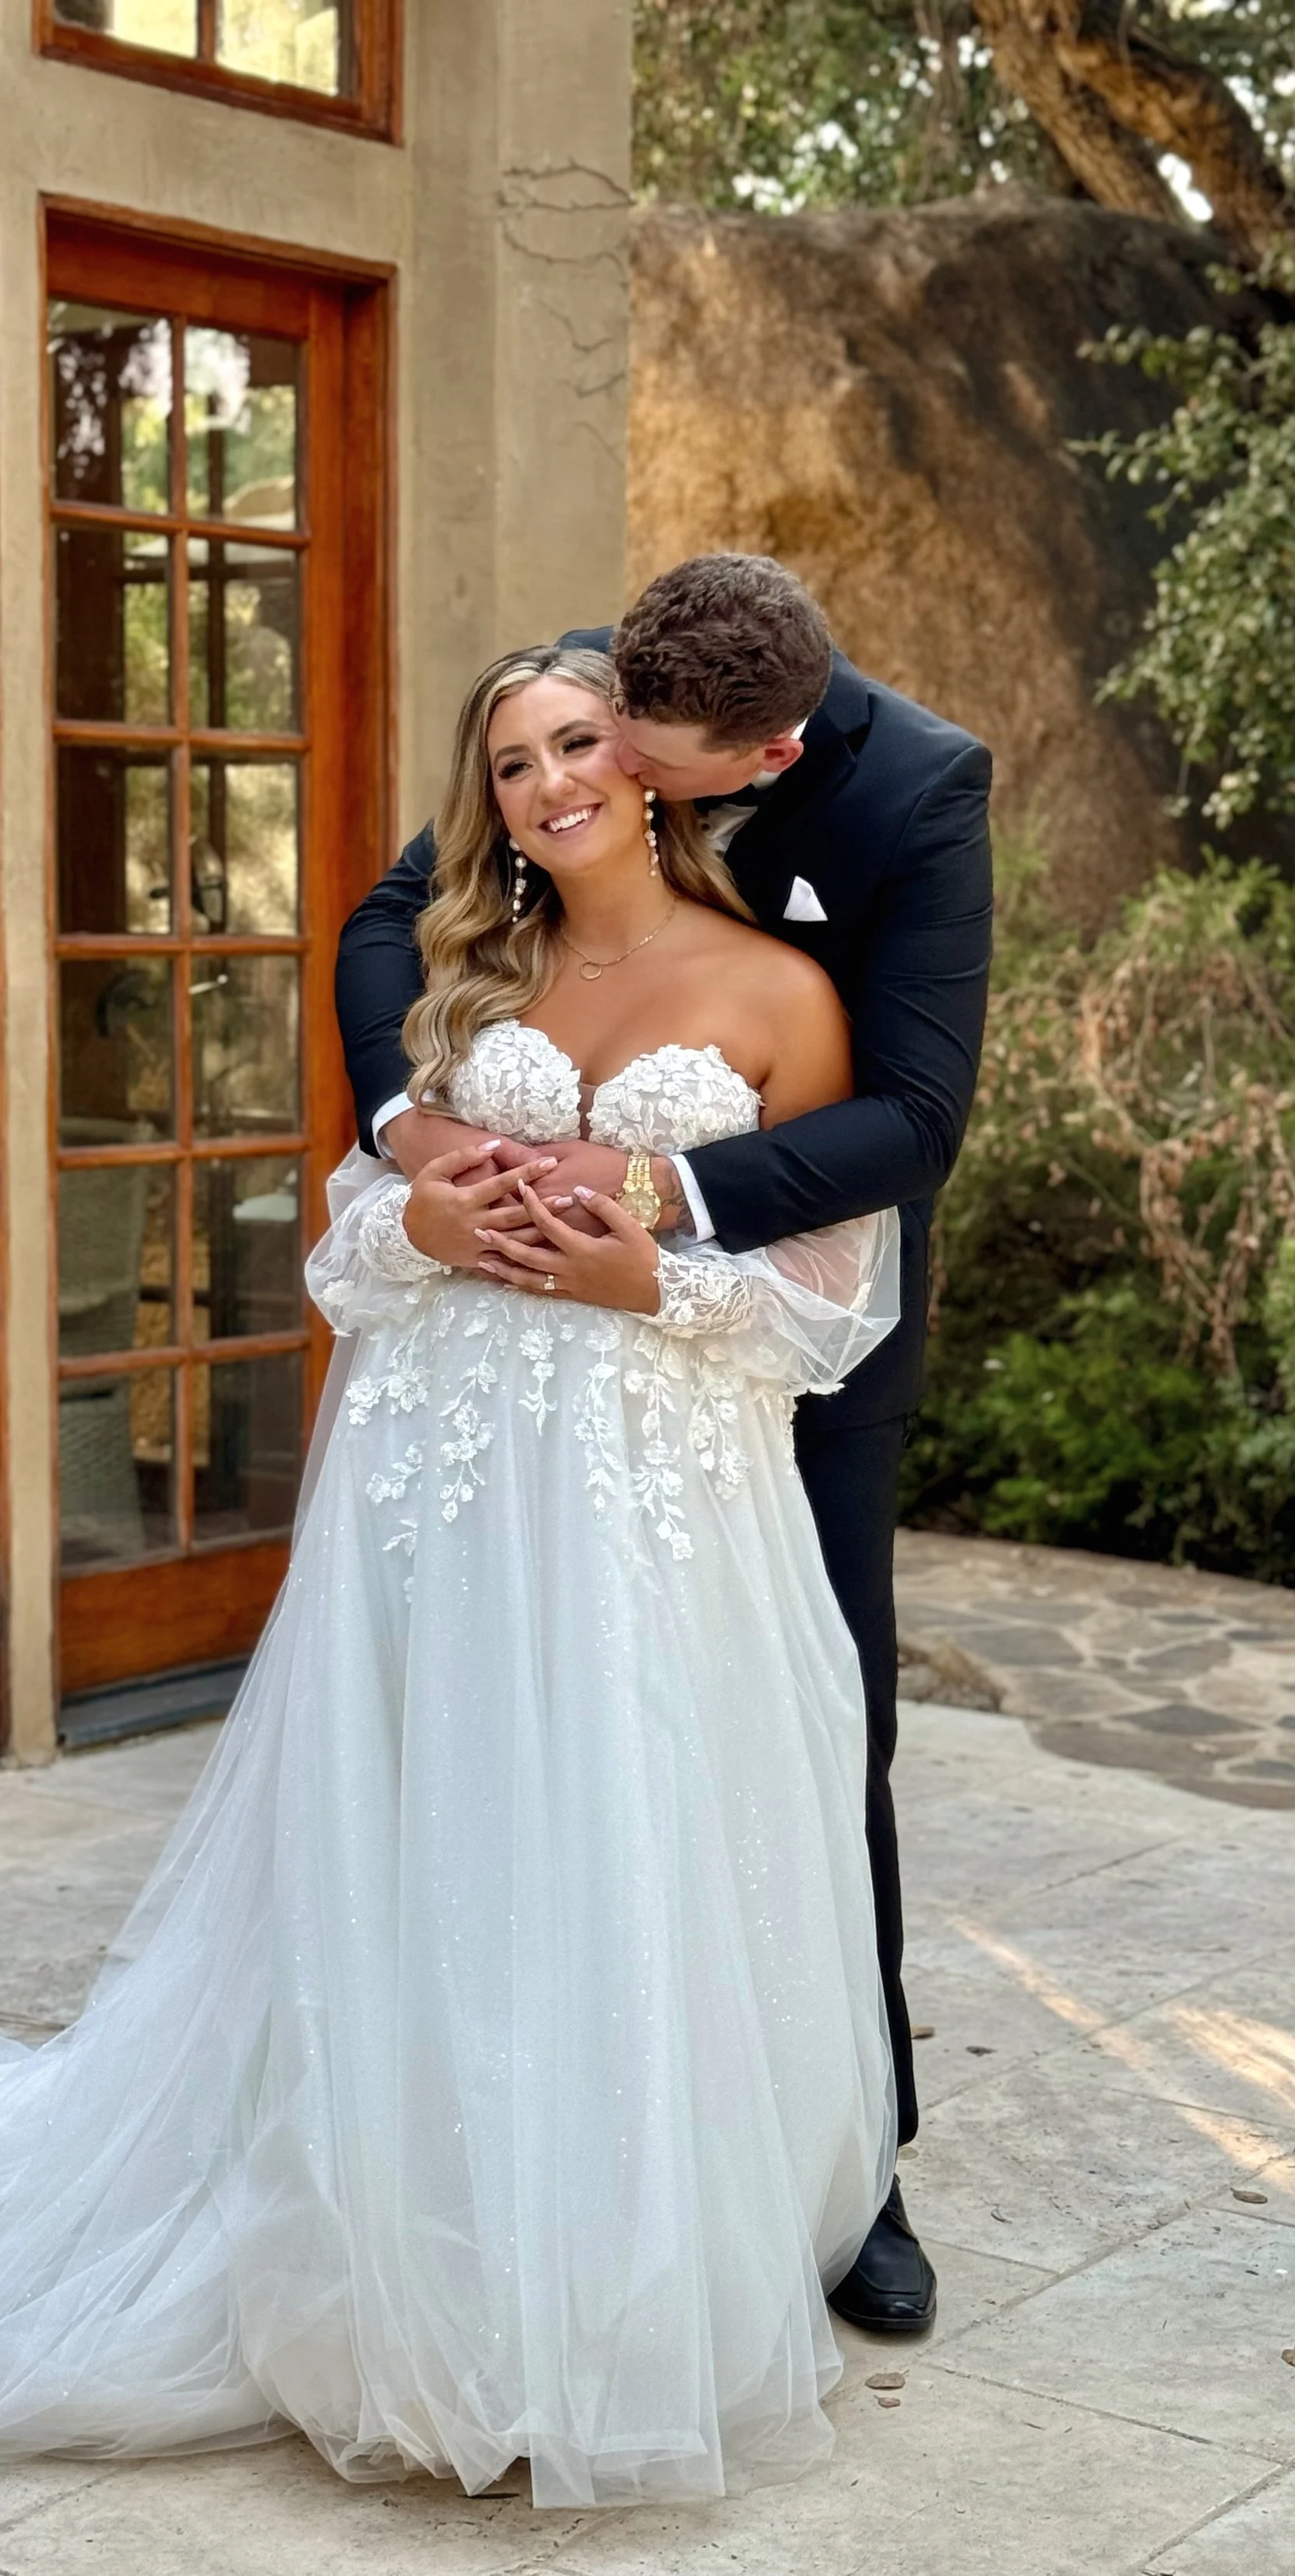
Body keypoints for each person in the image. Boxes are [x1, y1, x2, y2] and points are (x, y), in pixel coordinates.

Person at [0, 642, 905, 2508]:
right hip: (435, 1482)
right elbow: (357, 1221)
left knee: (612, 1842)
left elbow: (835, 1295)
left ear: (648, 765)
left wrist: (640, 1276)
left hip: (641, 1502)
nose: (549, 782)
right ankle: (394, 2273)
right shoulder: (460, 978)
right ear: (483, 801)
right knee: (423, 1849)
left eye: (577, 743)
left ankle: (587, 2305)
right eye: (509, 762)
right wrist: (413, 1204)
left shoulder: (777, 990)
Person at [336, 555, 994, 2334]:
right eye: (561, 737)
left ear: (748, 751)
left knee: (801, 1718)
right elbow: (388, 922)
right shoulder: (594, 720)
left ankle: (841, 2167)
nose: (590, 758)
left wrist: (654, 1203)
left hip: (775, 1307)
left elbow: (911, 1122)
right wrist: (408, 1136)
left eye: (621, 744)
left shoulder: (915, 795)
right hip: (504, 1392)